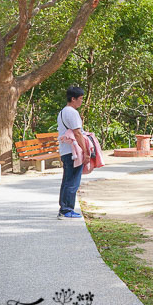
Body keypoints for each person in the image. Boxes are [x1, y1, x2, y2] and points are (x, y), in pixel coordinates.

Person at [57, 86, 89, 219]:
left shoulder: (62, 112)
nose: (81, 102)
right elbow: (77, 133)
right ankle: (67, 210)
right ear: (73, 99)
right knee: (73, 181)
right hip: (73, 152)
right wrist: (86, 152)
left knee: (67, 180)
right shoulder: (72, 112)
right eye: (80, 99)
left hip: (65, 151)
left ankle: (64, 208)